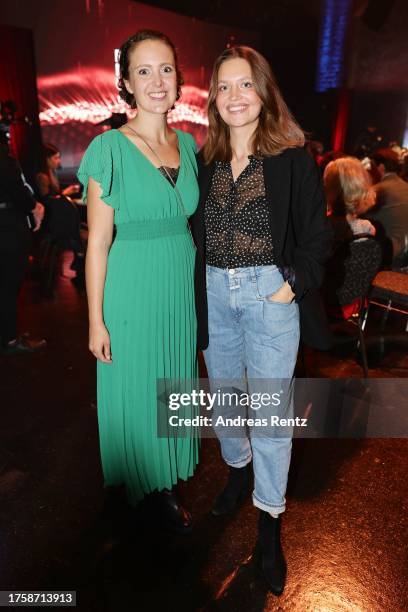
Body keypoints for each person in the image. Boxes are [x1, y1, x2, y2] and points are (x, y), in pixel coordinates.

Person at [190, 46, 332, 595]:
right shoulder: (205, 162)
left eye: (244, 84)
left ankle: (269, 524)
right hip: (214, 292)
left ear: (264, 91)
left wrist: (287, 284)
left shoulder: (293, 158)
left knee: (272, 420)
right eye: (223, 87)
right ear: (214, 100)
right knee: (225, 399)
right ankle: (237, 470)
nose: (234, 96)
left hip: (268, 294)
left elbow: (318, 241)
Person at [78, 30, 199, 533]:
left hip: (179, 284)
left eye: (166, 69)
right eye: (144, 71)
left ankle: (165, 477)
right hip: (131, 286)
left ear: (178, 80)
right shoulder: (108, 147)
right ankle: (143, 487)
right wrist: (94, 320)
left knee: (172, 381)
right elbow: (98, 242)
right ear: (126, 82)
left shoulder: (190, 145)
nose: (156, 80)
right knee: (138, 386)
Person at [0, 130, 46, 354]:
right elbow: (17, 190)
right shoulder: (3, 158)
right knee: (9, 284)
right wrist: (34, 206)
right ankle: (9, 340)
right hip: (7, 227)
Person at [36, 144, 85, 277]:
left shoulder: (51, 174)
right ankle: (80, 261)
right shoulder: (43, 177)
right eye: (56, 158)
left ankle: (79, 260)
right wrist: (66, 193)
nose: (59, 161)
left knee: (79, 226)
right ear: (47, 159)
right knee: (80, 231)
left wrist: (66, 193)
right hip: (54, 222)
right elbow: (48, 201)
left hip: (57, 218)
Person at [367, 148, 408, 269]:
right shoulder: (405, 186)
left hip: (389, 257)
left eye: (371, 167)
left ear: (381, 167)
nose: (368, 171)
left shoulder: (377, 190)